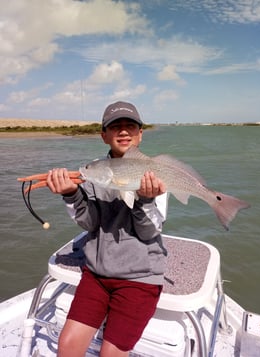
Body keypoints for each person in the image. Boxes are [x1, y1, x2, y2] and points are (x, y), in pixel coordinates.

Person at [46, 101, 168, 357]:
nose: (123, 132)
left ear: (140, 134)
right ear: (104, 135)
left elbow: (149, 233)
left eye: (130, 126)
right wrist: (71, 194)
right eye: (115, 127)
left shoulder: (154, 176)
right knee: (67, 345)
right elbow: (89, 223)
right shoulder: (94, 170)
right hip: (97, 274)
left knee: (110, 354)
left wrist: (145, 199)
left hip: (140, 278)